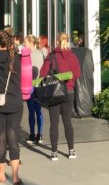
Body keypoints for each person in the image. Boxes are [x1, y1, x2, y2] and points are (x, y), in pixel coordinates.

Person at [0, 30, 23, 185]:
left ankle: (1, 174)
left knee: (0, 137)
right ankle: (15, 176)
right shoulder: (16, 58)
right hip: (15, 100)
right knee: (13, 137)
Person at [40, 32, 81, 161]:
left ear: (56, 41)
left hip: (55, 92)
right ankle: (71, 150)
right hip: (69, 92)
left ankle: (54, 152)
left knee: (54, 123)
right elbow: (77, 74)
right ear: (67, 41)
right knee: (67, 122)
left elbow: (42, 74)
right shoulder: (73, 56)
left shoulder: (51, 56)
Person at [24, 35, 44, 144]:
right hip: (40, 84)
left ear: (31, 43)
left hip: (30, 85)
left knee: (31, 110)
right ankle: (40, 134)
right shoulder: (41, 53)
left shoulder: (26, 54)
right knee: (39, 110)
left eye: (25, 42)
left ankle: (32, 134)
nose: (24, 44)